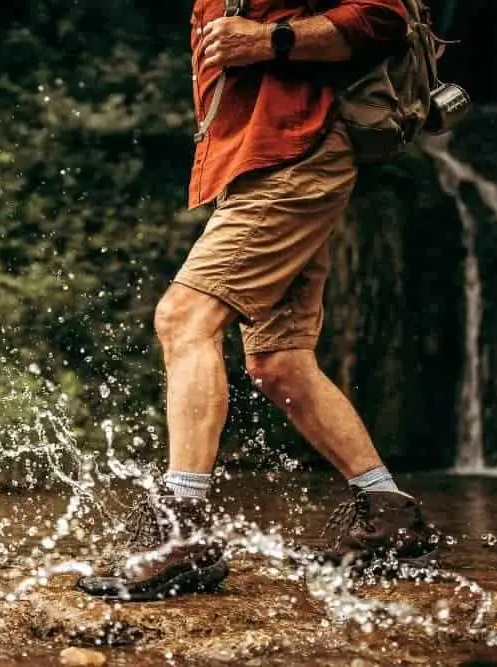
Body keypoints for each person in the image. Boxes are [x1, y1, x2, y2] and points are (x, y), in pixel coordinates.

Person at [76, 0, 439, 602]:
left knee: (184, 317)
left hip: (293, 156)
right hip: (263, 162)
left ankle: (181, 533)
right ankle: (390, 518)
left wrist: (272, 40)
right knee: (281, 362)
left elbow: (384, 16)